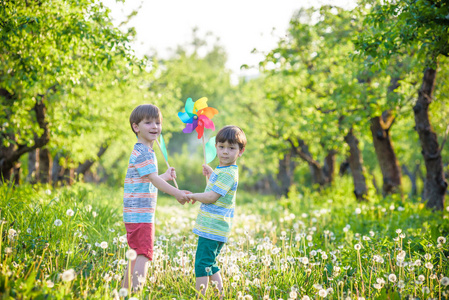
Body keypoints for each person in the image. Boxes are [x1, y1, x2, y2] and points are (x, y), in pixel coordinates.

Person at [122, 104, 190, 291]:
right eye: (148, 122)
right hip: (141, 215)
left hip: (134, 213)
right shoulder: (145, 152)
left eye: (158, 123)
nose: (155, 126)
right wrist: (177, 193)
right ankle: (136, 292)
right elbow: (152, 179)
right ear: (136, 127)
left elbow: (146, 180)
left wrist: (165, 177)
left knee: (135, 254)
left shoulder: (141, 151)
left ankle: (124, 293)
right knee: (144, 254)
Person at [187, 125, 247, 298]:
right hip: (216, 227)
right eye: (221, 147)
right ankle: (220, 295)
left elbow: (212, 196)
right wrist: (212, 173)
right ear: (216, 147)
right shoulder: (224, 171)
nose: (225, 152)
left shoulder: (228, 173)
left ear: (240, 151)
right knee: (210, 264)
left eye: (231, 148)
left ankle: (200, 296)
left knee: (201, 263)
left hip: (213, 227)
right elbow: (218, 187)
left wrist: (193, 195)